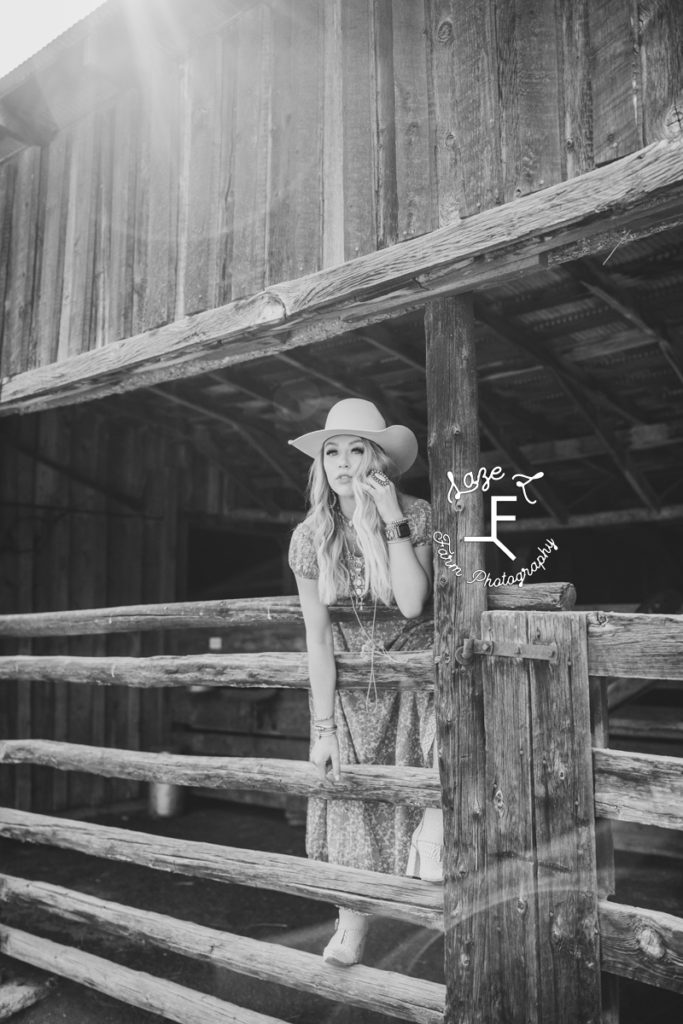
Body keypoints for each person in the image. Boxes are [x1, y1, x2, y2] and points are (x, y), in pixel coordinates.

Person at [287, 398, 443, 967]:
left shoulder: (418, 514)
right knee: (351, 794)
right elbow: (318, 639)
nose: (344, 462)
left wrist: (390, 518)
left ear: (378, 460)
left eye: (357, 450)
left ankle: (435, 821)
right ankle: (350, 925)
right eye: (333, 451)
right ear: (321, 465)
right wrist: (323, 727)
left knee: (430, 760)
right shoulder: (310, 537)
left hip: (413, 670)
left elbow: (410, 603)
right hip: (352, 684)